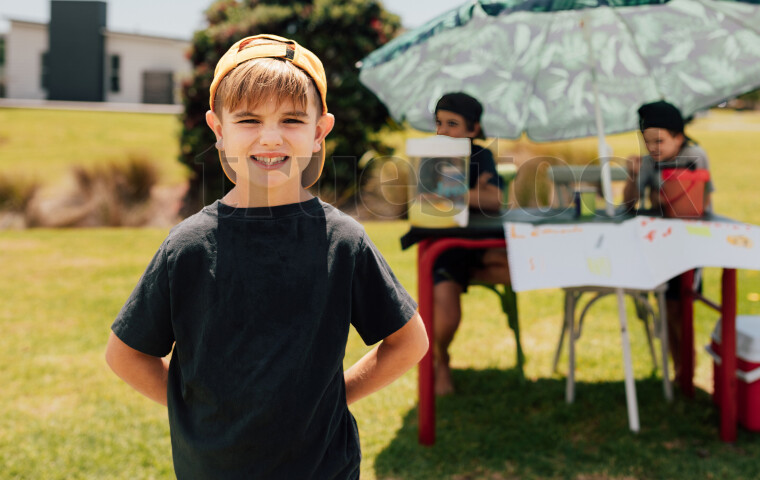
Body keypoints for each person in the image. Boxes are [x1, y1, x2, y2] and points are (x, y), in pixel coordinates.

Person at [104, 34, 428, 479]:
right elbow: (126, 355)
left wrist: (336, 397)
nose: (271, 137)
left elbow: (409, 342)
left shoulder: (344, 241)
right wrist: (194, 413)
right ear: (219, 131)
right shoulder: (188, 247)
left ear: (319, 132)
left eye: (292, 119)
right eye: (249, 119)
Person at [622, 100, 714, 380]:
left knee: (679, 308)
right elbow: (627, 205)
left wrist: (666, 197)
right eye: (647, 141)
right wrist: (632, 177)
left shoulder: (694, 156)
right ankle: (679, 369)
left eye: (659, 140)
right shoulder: (650, 162)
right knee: (665, 308)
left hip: (687, 247)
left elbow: (700, 203)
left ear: (679, 137)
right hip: (659, 244)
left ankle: (685, 371)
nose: (653, 148)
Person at [430, 92, 508, 395]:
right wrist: (475, 192)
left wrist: (453, 196)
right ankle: (442, 360)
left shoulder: (480, 155)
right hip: (446, 248)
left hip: (482, 245)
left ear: (473, 130)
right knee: (446, 317)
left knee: (518, 268)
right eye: (439, 123)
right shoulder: (431, 159)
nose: (443, 131)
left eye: (452, 123)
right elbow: (424, 200)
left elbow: (495, 199)